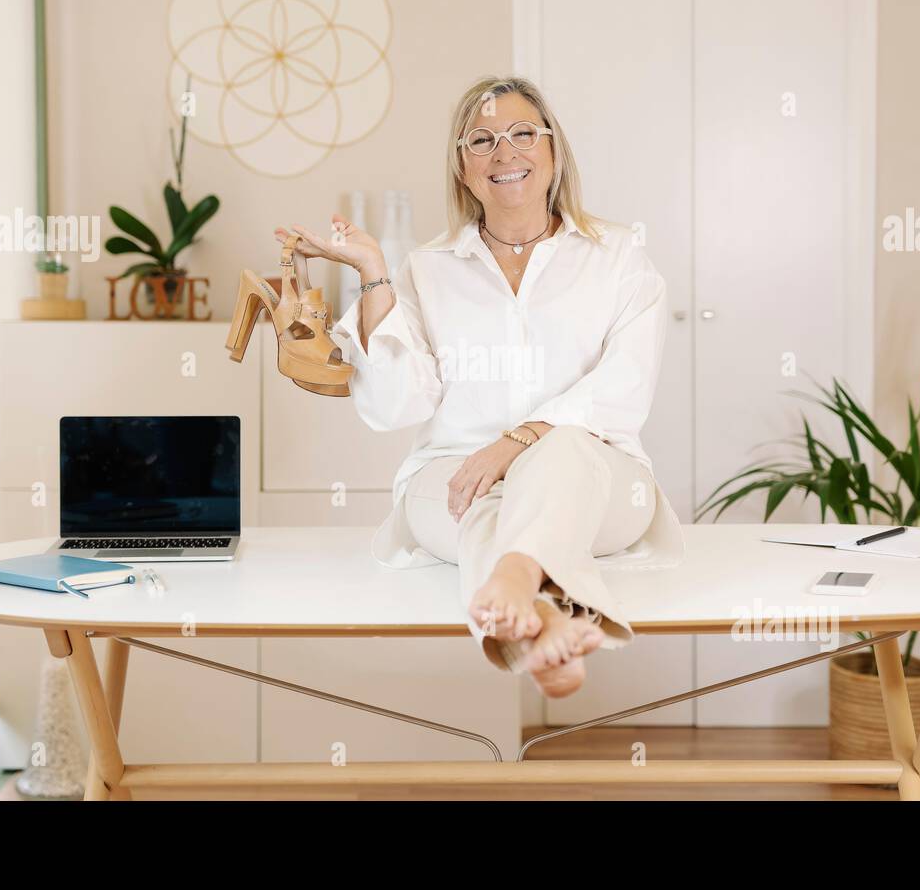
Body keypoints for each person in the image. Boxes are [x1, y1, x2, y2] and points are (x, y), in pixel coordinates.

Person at [273, 75, 684, 698]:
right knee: (473, 500)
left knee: (565, 449)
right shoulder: (427, 269)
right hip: (454, 483)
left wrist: (517, 443)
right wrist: (374, 274)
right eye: (482, 140)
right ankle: (540, 621)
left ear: (554, 154)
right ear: (463, 169)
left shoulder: (619, 256)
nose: (505, 152)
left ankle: (517, 584)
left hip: (599, 484)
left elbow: (623, 388)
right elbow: (395, 407)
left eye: (523, 133)